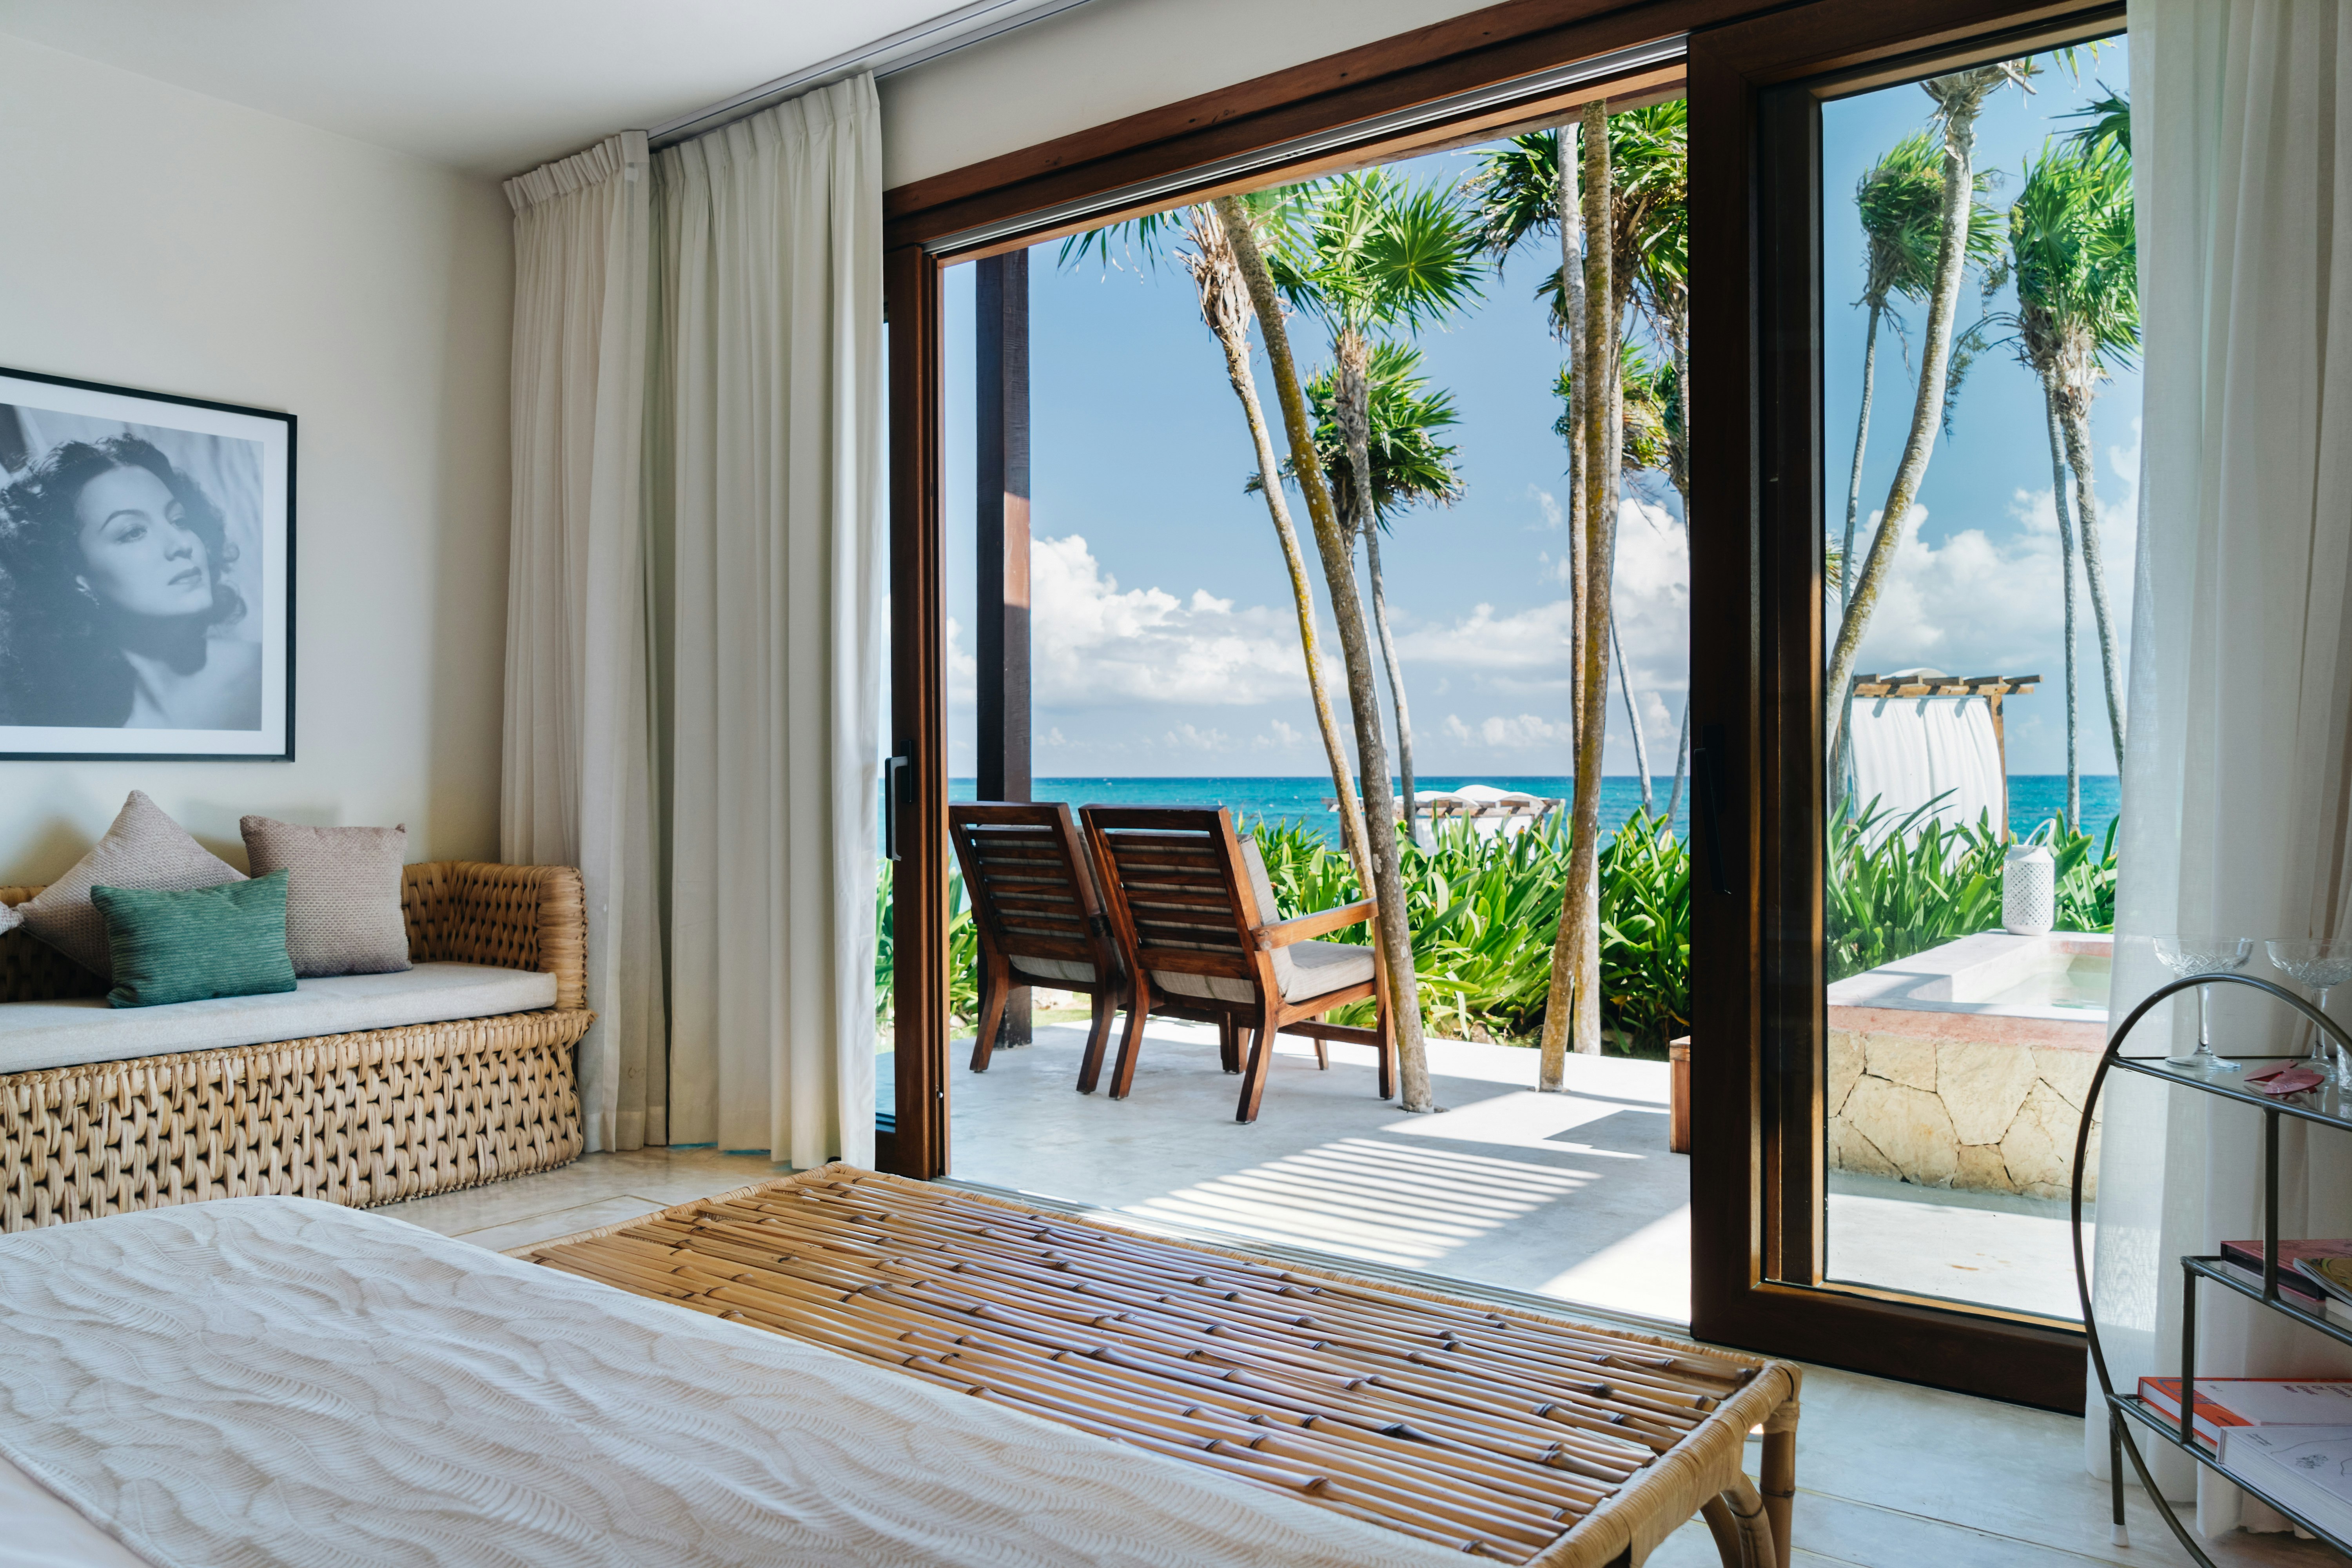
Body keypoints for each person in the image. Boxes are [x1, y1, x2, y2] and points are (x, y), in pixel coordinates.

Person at [0, 434, 259, 730]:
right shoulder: (69, 727)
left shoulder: (265, 679)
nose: (181, 544)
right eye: (133, 532)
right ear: (76, 576)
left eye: (179, 521)